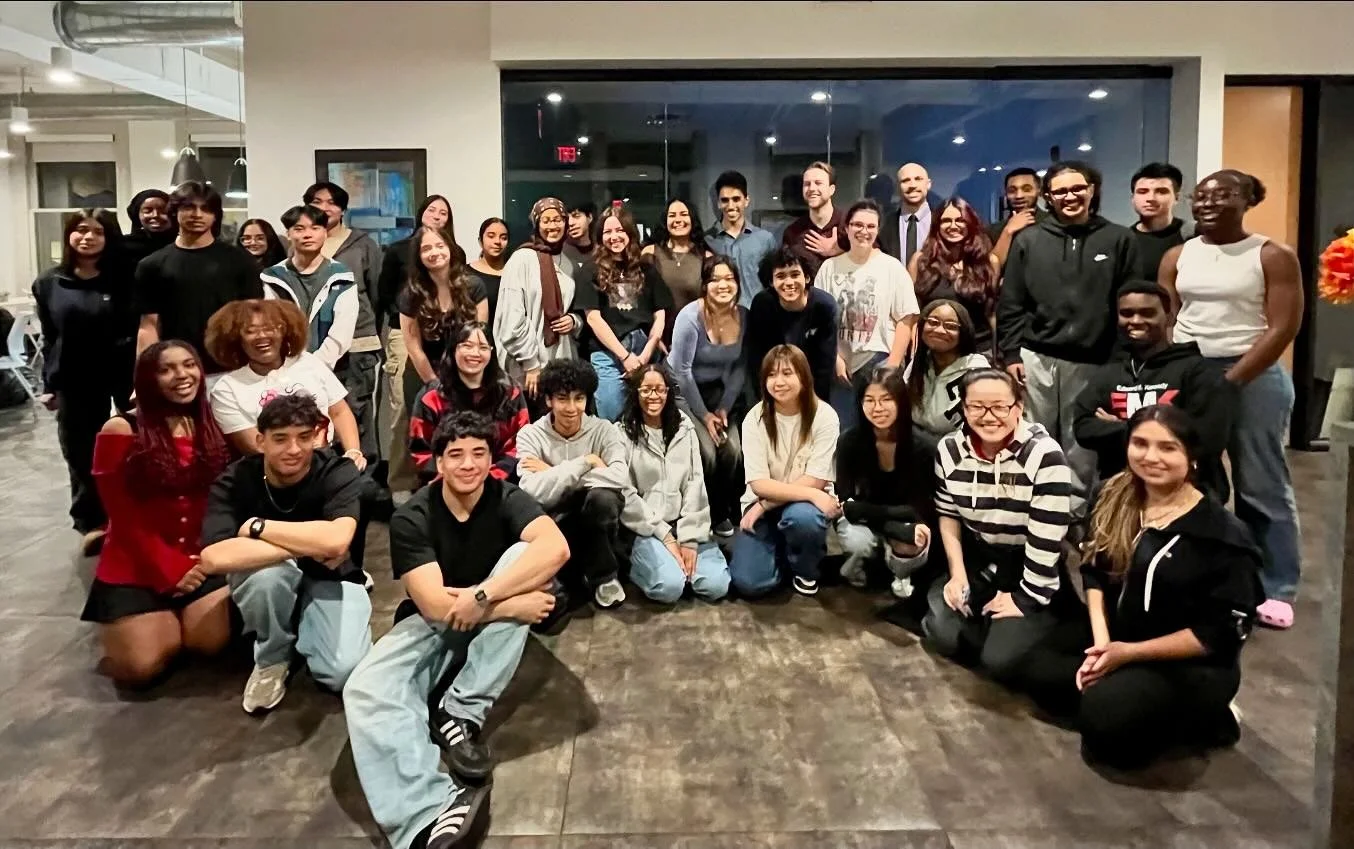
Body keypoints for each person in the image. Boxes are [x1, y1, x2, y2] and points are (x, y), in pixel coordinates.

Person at [344, 411, 569, 849]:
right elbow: (431, 603)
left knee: (526, 556)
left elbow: (555, 547)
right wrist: (511, 605)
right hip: (432, 622)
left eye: (479, 453)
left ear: (492, 460)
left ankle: (460, 712)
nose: (468, 464)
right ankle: (425, 813)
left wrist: (485, 597)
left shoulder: (507, 497)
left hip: (480, 615)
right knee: (364, 689)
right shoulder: (413, 516)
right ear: (439, 463)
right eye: (456, 455)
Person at [1073, 405, 1262, 767]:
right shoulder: (1113, 495)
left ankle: (1211, 719)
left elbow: (1216, 635)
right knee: (1027, 666)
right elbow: (1093, 569)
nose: (1150, 457)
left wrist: (1127, 654)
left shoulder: (1223, 536)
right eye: (1140, 443)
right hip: (1118, 640)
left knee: (1108, 731)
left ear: (1192, 458)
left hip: (1187, 663)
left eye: (1167, 448)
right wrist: (1101, 645)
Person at [1160, 170, 1304, 630]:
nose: (1208, 203)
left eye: (1222, 196)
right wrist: (1181, 371)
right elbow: (1168, 315)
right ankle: (1205, 572)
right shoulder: (1178, 254)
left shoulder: (1271, 254)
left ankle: (1277, 585)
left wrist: (1232, 379)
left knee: (1261, 482)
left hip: (1252, 371)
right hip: (1192, 369)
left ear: (1247, 200)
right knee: (1191, 476)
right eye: (1201, 197)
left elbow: (1283, 326)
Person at [198, 393, 372, 713]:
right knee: (267, 579)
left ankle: (306, 618)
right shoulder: (235, 479)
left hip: (333, 574)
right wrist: (306, 546)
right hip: (275, 575)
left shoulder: (338, 471)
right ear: (261, 440)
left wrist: (255, 527)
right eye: (280, 439)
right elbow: (213, 558)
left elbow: (336, 542)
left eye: (304, 437)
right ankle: (272, 656)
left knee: (343, 672)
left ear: (318, 436)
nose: (293, 449)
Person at [80, 341, 233, 686]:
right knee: (141, 667)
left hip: (196, 555)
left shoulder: (211, 424)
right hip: (137, 561)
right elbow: (120, 512)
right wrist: (167, 567)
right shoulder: (119, 429)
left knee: (209, 644)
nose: (182, 375)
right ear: (148, 379)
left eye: (189, 365)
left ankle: (172, 619)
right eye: (167, 369)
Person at [996, 161, 1139, 511]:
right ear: (1048, 197)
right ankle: (1032, 507)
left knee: (1080, 444)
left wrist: (1120, 361)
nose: (1069, 196)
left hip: (1093, 361)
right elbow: (1012, 300)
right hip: (1035, 356)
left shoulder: (1119, 239)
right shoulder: (1029, 240)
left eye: (1077, 189)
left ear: (1092, 191)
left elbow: (1130, 302)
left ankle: (1072, 515)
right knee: (1032, 437)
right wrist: (1011, 355)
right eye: (1060, 191)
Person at [924, 368, 1070, 686]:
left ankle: (1016, 622)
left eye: (999, 406)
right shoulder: (948, 450)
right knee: (944, 635)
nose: (988, 416)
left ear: (1018, 407)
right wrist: (957, 573)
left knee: (999, 660)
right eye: (976, 406)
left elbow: (1047, 535)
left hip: (1027, 564)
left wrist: (1025, 597)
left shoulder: (1045, 455)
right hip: (980, 559)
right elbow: (948, 514)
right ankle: (983, 615)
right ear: (963, 408)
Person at [34, 208, 137, 553]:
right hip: (76, 378)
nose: (87, 237)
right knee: (80, 453)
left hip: (123, 374)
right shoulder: (49, 283)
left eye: (97, 231)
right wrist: (49, 384)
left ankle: (134, 516)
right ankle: (92, 523)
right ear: (68, 236)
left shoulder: (125, 279)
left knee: (135, 447)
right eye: (80, 230)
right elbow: (51, 337)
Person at [1072, 280, 1233, 498]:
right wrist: (1163, 432)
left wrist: (1122, 428)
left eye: (1147, 312)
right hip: (1120, 493)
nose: (1135, 320)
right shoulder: (1108, 374)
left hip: (1189, 493)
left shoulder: (1198, 371)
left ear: (1169, 317)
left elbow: (1206, 438)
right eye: (1126, 313)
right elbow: (1083, 429)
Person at [514, 359, 629, 609]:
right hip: (553, 519)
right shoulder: (530, 435)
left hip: (594, 518)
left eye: (579, 398)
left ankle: (604, 577)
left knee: (603, 499)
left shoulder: (605, 431)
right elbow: (531, 490)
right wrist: (586, 462)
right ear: (548, 400)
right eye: (562, 398)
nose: (571, 407)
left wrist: (553, 473)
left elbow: (620, 476)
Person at [730, 344, 841, 597]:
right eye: (771, 374)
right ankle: (782, 549)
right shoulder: (754, 418)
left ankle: (805, 567)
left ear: (803, 376)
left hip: (803, 505)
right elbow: (758, 484)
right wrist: (762, 503)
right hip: (771, 499)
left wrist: (765, 505)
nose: (778, 381)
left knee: (803, 519)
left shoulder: (825, 416)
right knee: (749, 583)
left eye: (787, 373)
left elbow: (816, 481)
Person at [617, 364, 731, 603]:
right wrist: (665, 536)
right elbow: (626, 494)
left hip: (684, 523)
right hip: (648, 529)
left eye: (659, 389)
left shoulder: (685, 428)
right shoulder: (622, 433)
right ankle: (653, 565)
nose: (653, 396)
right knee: (668, 588)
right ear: (635, 393)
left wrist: (689, 538)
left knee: (716, 586)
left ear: (668, 393)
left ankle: (682, 566)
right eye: (646, 389)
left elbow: (694, 482)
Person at [204, 299, 365, 464]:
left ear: (284, 331)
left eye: (269, 328)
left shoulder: (308, 362)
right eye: (251, 331)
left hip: (328, 460)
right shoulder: (226, 389)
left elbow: (339, 412)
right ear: (235, 338)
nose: (262, 336)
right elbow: (254, 446)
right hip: (274, 471)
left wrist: (353, 452)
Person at [133, 181, 262, 374]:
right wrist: (146, 372)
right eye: (189, 207)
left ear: (215, 215)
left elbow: (254, 315)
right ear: (175, 211)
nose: (197, 214)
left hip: (233, 366)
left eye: (206, 209)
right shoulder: (152, 265)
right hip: (176, 367)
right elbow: (148, 326)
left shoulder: (240, 261)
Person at [814, 199, 919, 428]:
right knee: (842, 431)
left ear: (878, 229)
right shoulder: (829, 268)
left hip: (878, 358)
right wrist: (835, 357)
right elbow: (819, 321)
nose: (864, 231)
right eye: (857, 225)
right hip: (841, 363)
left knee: (880, 429)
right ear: (847, 228)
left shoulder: (892, 268)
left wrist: (893, 364)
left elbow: (906, 319)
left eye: (871, 226)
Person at [835, 365, 934, 599]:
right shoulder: (849, 441)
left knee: (914, 539)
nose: (877, 408)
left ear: (901, 401)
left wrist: (871, 514)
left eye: (886, 399)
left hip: (897, 518)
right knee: (856, 540)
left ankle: (901, 572)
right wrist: (893, 527)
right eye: (869, 400)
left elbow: (922, 508)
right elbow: (846, 504)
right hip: (879, 520)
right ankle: (867, 564)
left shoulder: (923, 446)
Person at [377, 194, 453, 492]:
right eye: (432, 209)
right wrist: (407, 318)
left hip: (445, 341)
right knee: (404, 412)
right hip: (405, 336)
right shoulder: (398, 251)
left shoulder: (452, 254)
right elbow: (383, 294)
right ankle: (400, 484)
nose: (437, 215)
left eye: (443, 212)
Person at [668, 256, 746, 537]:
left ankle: (725, 510)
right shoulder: (690, 317)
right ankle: (705, 515)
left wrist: (724, 408)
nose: (723, 285)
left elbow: (739, 367)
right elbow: (682, 372)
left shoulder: (744, 316)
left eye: (729, 279)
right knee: (708, 452)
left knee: (734, 451)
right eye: (715, 280)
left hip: (718, 394)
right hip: (683, 393)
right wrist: (704, 416)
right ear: (705, 285)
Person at [575, 206, 672, 421]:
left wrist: (647, 353)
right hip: (608, 353)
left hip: (644, 348)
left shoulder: (646, 268)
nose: (614, 237)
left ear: (629, 233)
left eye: (619, 230)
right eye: (607, 232)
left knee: (650, 414)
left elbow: (660, 315)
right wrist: (625, 356)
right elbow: (593, 318)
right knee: (612, 412)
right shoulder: (589, 270)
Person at [409, 320, 529, 485]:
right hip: (444, 485)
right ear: (453, 350)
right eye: (467, 345)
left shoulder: (510, 393)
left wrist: (488, 480)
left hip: (499, 484)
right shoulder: (431, 397)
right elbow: (420, 451)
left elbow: (519, 445)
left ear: (492, 353)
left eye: (483, 347)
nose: (475, 353)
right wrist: (454, 480)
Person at [494, 198, 582, 405]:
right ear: (537, 225)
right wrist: (531, 363)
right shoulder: (521, 259)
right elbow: (511, 316)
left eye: (558, 219)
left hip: (559, 362)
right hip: (525, 367)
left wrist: (574, 321)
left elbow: (574, 309)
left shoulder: (568, 263)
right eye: (546, 220)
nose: (553, 226)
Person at [397, 224, 489, 424]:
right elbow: (414, 348)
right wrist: (435, 386)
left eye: (439, 245)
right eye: (426, 248)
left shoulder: (474, 286)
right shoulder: (411, 294)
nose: (434, 252)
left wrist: (466, 383)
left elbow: (479, 340)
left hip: (469, 377)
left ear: (449, 247)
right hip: (424, 376)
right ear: (418, 257)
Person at [261, 205, 367, 371]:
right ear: (288, 234)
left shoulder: (341, 276)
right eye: (299, 229)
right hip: (282, 369)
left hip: (332, 370)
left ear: (325, 233)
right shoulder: (272, 277)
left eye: (315, 228)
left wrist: (313, 367)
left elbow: (342, 332)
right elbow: (269, 325)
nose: (307, 235)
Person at [906, 197, 1001, 357]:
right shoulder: (920, 261)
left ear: (970, 223)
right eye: (946, 221)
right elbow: (912, 315)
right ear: (937, 226)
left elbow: (991, 314)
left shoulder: (989, 262)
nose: (953, 226)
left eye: (960, 220)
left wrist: (999, 355)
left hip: (979, 353)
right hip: (932, 352)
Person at [745, 247, 838, 403]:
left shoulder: (824, 306)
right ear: (771, 282)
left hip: (811, 386)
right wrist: (764, 400)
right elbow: (757, 359)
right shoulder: (762, 304)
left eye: (795, 275)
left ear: (807, 277)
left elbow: (825, 366)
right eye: (780, 276)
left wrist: (815, 405)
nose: (789, 283)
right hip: (773, 385)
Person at [906, 300, 991, 453]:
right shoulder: (918, 364)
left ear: (964, 333)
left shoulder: (977, 373)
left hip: (959, 453)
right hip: (916, 450)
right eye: (933, 322)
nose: (939, 330)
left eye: (951, 326)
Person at [704, 170, 777, 309]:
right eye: (725, 200)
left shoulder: (765, 240)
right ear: (718, 203)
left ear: (746, 200)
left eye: (736, 199)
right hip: (718, 319)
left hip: (757, 318)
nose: (731, 206)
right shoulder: (706, 241)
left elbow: (774, 282)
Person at [641, 198, 711, 340]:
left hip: (695, 338)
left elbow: (710, 304)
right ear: (664, 222)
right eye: (672, 216)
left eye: (683, 214)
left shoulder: (706, 256)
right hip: (655, 338)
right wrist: (652, 337)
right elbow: (642, 301)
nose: (678, 220)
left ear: (692, 219)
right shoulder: (650, 253)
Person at [781, 161, 849, 280]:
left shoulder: (849, 224)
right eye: (807, 184)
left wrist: (840, 250)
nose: (812, 188)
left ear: (831, 189)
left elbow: (874, 258)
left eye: (818, 183)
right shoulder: (793, 232)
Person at [1129, 162, 1190, 282]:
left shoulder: (1192, 236)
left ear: (1176, 198)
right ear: (1132, 198)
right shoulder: (1124, 241)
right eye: (1142, 191)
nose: (1151, 198)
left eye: (1161, 191)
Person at [986, 167, 1044, 268]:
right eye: (1012, 191)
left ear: (1038, 191)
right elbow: (989, 272)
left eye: (1026, 189)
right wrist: (1008, 231)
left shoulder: (1054, 224)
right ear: (1006, 194)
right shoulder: (993, 231)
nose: (1019, 196)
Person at [880, 162, 935, 265]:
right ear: (897, 187)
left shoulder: (942, 221)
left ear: (928, 184)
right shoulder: (885, 224)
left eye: (918, 179)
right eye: (905, 180)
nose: (912, 185)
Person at [467, 217, 510, 332]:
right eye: (491, 236)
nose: (497, 241)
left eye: (503, 238)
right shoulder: (466, 274)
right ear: (480, 241)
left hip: (512, 345)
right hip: (478, 342)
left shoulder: (514, 273)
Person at [123, 188, 176, 268]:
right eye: (148, 211)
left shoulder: (182, 244)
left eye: (163, 211)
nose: (155, 215)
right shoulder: (124, 246)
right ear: (137, 215)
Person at [562, 200, 596, 268]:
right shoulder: (560, 253)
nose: (570, 223)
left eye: (576, 216)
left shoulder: (600, 251)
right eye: (566, 219)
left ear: (589, 217)